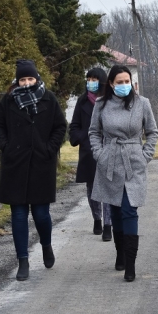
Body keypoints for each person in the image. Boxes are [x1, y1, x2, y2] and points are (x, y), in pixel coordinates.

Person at [0, 59, 68, 281]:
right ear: (17, 81)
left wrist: (49, 149)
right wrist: (6, 147)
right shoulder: (8, 101)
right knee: (18, 214)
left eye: (30, 78)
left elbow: (60, 127)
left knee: (41, 214)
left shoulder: (48, 98)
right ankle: (23, 261)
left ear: (37, 78)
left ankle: (46, 245)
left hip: (40, 164)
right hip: (15, 164)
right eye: (22, 79)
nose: (26, 83)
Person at [89, 65, 158, 282]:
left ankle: (131, 264)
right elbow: (94, 132)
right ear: (111, 84)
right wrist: (99, 155)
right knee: (116, 211)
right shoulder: (101, 105)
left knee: (130, 211)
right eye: (119, 82)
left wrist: (145, 155)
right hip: (109, 162)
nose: (124, 85)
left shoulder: (142, 103)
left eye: (127, 81)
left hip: (133, 163)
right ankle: (119, 252)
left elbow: (152, 132)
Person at [69, 67, 112, 241]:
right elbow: (74, 128)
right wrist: (85, 136)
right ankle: (97, 218)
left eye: (94, 79)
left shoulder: (110, 101)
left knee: (108, 189)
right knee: (92, 189)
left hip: (108, 150)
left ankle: (108, 224)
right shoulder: (82, 102)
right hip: (89, 152)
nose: (91, 82)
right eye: (89, 79)